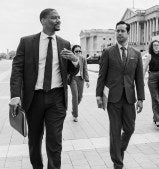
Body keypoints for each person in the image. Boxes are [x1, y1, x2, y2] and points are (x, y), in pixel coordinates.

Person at [9, 8, 79, 169]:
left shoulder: (64, 43)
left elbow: (71, 71)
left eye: (59, 17)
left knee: (55, 141)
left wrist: (75, 61)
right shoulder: (26, 42)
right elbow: (17, 70)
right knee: (34, 140)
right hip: (34, 98)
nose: (58, 20)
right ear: (43, 20)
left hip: (57, 99)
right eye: (54, 18)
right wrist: (15, 95)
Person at [96, 21, 145, 169]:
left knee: (130, 128)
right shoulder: (108, 52)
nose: (119, 33)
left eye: (122, 31)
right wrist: (98, 95)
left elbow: (139, 78)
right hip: (113, 98)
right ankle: (118, 163)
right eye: (117, 31)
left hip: (129, 98)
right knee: (115, 131)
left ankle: (118, 150)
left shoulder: (135, 53)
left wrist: (141, 98)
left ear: (128, 33)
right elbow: (101, 75)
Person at [143, 40, 159, 127]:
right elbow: (144, 68)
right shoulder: (149, 56)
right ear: (152, 47)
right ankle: (158, 119)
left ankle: (155, 117)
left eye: (157, 45)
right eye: (154, 45)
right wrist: (141, 80)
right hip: (152, 78)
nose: (156, 47)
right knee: (155, 98)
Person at [69, 45, 89, 122]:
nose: (78, 52)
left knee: (80, 97)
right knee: (75, 96)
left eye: (79, 51)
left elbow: (85, 69)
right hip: (73, 79)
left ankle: (74, 110)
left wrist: (87, 80)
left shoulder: (83, 58)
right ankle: (75, 115)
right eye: (76, 51)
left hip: (81, 79)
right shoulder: (70, 59)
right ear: (73, 52)